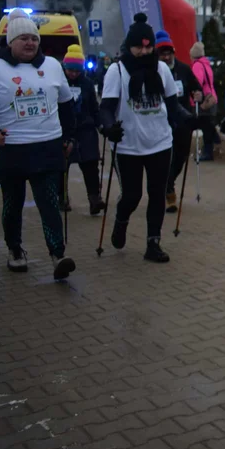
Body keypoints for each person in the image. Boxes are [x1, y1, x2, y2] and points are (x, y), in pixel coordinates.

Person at [0, 15, 78, 279]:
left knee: (50, 203)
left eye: (34, 38)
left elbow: (66, 106)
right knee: (12, 204)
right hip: (11, 149)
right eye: (24, 38)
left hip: (47, 147)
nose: (30, 43)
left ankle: (58, 254)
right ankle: (15, 250)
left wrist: (69, 138)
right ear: (11, 42)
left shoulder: (53, 66)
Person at [99, 14, 183, 264]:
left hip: (159, 142)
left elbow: (173, 105)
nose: (144, 51)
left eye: (149, 47)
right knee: (132, 196)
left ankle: (153, 243)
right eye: (139, 46)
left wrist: (190, 120)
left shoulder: (162, 70)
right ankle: (121, 220)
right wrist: (108, 127)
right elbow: (105, 107)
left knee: (157, 194)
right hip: (128, 145)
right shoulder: (117, 70)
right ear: (129, 46)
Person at [155, 30, 202, 213]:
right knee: (167, 158)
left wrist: (199, 94)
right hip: (162, 122)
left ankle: (169, 182)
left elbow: (196, 88)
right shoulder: (153, 73)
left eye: (169, 53)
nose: (166, 57)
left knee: (181, 157)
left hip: (183, 122)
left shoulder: (183, 69)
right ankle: (168, 190)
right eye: (162, 53)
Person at [62, 44, 106, 215]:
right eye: (70, 70)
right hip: (65, 129)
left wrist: (101, 125)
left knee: (91, 164)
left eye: (76, 70)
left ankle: (94, 199)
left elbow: (94, 108)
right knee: (62, 167)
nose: (73, 73)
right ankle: (62, 197)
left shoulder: (87, 84)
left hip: (86, 129)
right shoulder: (59, 83)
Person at [190, 41, 219, 162]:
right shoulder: (206, 64)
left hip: (204, 100)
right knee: (207, 124)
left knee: (204, 124)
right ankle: (214, 140)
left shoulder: (197, 65)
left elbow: (197, 82)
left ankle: (208, 151)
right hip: (212, 97)